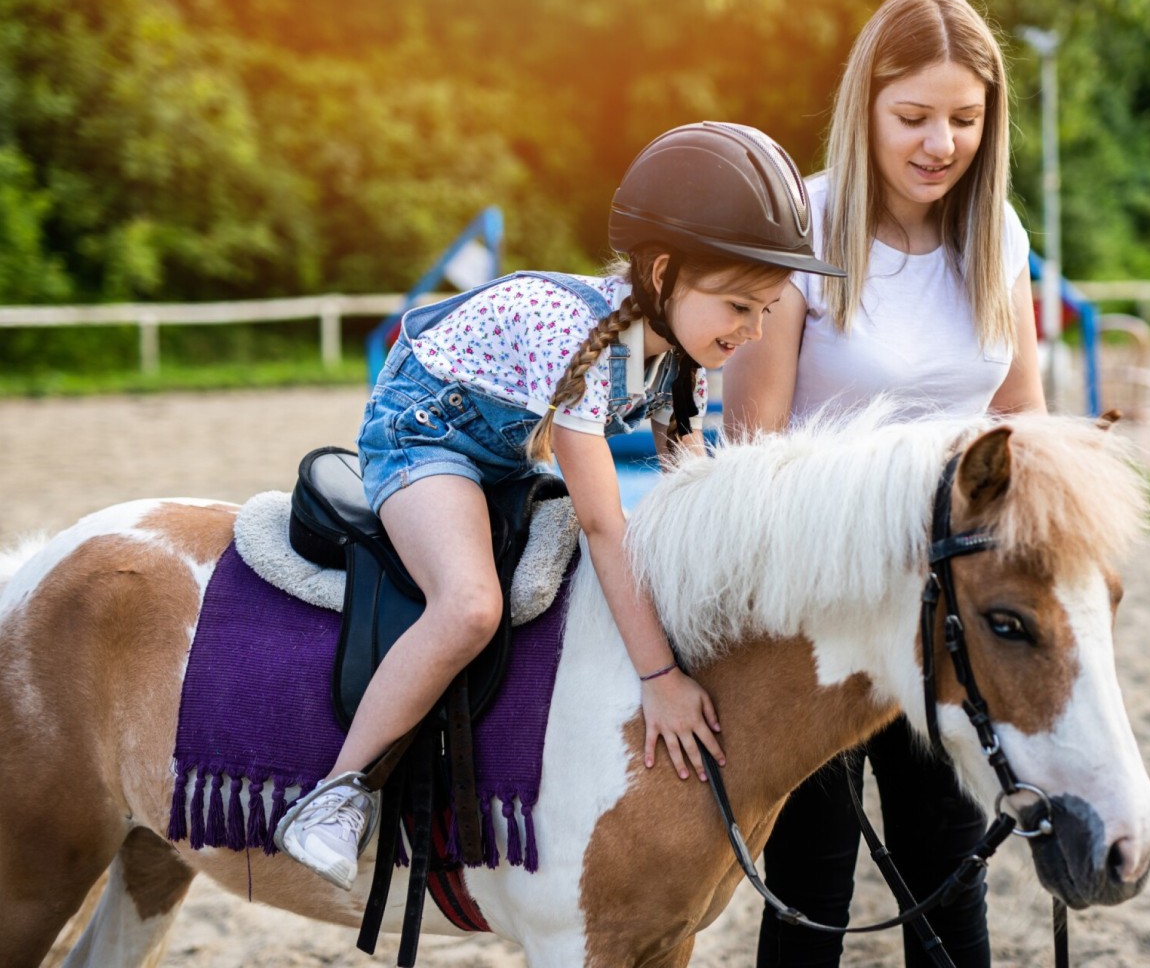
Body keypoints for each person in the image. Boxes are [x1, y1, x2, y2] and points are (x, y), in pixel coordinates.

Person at [275, 122, 846, 890]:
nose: (753, 331)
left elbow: (693, 495)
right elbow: (606, 523)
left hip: (504, 453)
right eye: (739, 307)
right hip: (423, 435)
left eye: (768, 311)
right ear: (666, 270)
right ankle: (338, 794)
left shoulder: (682, 363)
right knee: (471, 603)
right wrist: (658, 679)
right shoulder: (575, 334)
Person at [722, 0, 1047, 967]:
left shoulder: (998, 240)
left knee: (947, 869)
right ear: (865, 105)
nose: (937, 142)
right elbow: (751, 445)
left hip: (945, 609)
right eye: (911, 116)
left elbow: (1019, 425)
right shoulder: (802, 230)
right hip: (817, 610)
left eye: (962, 118)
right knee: (811, 879)